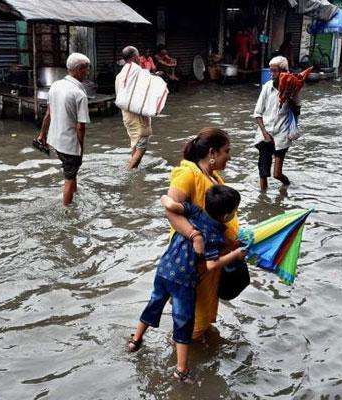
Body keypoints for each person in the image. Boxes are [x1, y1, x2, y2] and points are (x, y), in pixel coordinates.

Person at [127, 185, 245, 383]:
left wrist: (168, 200)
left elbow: (169, 203)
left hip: (164, 269)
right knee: (183, 322)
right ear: (226, 216)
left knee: (153, 304)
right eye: (234, 212)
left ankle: (135, 341)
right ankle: (181, 370)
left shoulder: (193, 210)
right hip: (184, 280)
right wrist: (235, 255)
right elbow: (211, 264)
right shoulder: (216, 235)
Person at [162, 128, 239, 344]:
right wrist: (195, 236)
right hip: (193, 260)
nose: (229, 156)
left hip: (211, 257)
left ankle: (197, 345)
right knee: (191, 315)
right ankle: (182, 361)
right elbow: (171, 211)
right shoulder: (188, 174)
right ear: (212, 152)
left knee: (202, 309)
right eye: (227, 151)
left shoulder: (214, 177)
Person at [33, 53, 91, 205]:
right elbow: (81, 126)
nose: (87, 72)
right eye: (86, 69)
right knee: (69, 179)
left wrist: (42, 135)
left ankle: (75, 194)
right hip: (69, 144)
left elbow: (48, 114)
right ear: (78, 69)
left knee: (71, 171)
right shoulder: (79, 94)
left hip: (55, 140)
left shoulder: (55, 85)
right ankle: (66, 210)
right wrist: (80, 149)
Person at [254, 56, 301, 191]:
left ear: (284, 72)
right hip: (266, 132)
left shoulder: (293, 89)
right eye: (271, 71)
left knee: (277, 174)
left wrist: (288, 98)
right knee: (263, 172)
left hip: (282, 134)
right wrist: (264, 133)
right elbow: (258, 113)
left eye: (274, 71)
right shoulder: (267, 87)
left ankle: (286, 186)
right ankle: (263, 199)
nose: (271, 74)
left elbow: (297, 111)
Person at [115, 46, 153, 169]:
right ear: (136, 57)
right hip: (137, 115)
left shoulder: (120, 75)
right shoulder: (138, 70)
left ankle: (134, 172)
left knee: (135, 143)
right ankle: (129, 173)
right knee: (142, 146)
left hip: (126, 115)